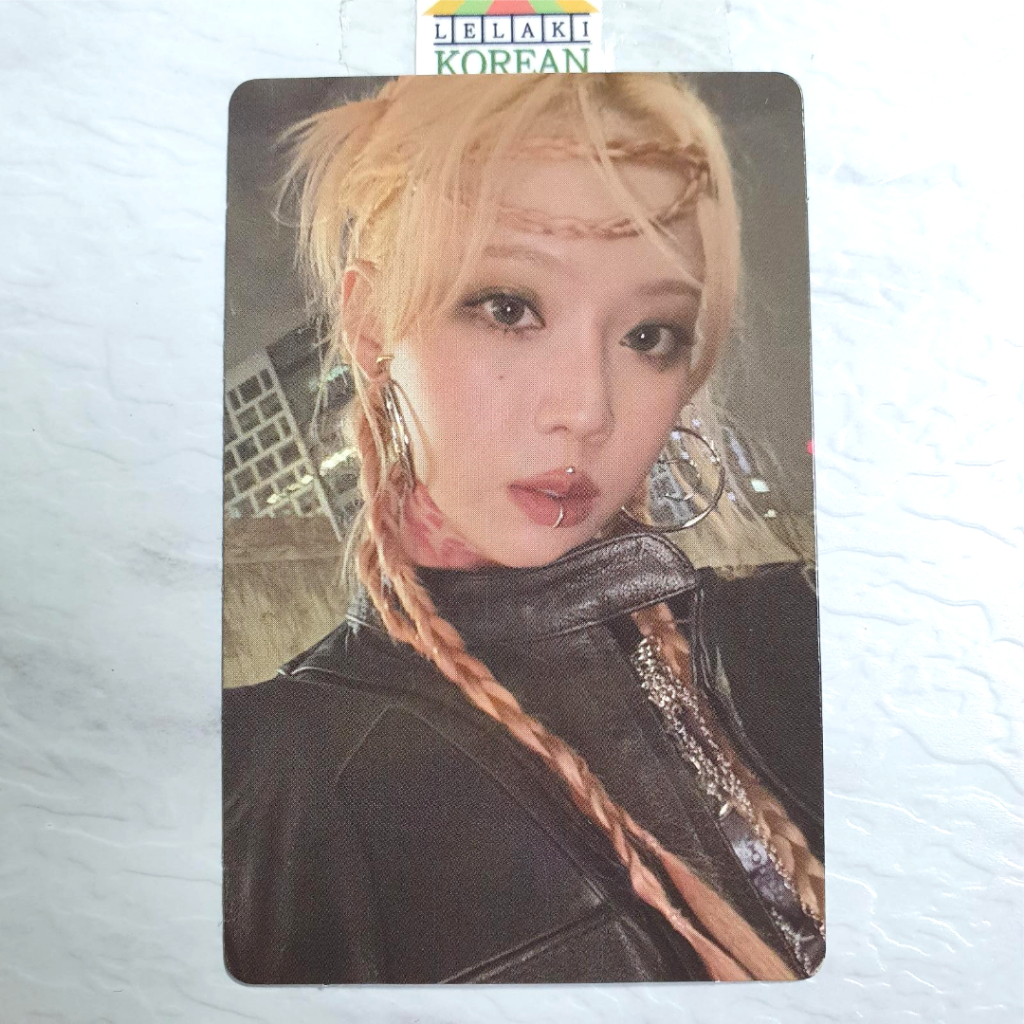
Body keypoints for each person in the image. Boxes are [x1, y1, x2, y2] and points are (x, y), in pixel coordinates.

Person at [222, 72, 825, 985]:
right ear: (372, 325)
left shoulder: (807, 632)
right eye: (507, 308)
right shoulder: (269, 782)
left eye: (649, 335)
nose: (586, 410)